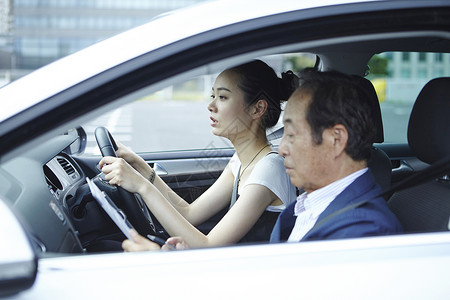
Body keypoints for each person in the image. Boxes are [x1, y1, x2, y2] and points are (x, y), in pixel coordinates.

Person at [99, 60, 298, 250]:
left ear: (258, 109)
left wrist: (141, 186)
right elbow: (189, 214)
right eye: (213, 96)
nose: (211, 106)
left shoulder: (269, 169)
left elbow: (207, 245)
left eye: (223, 97)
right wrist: (141, 167)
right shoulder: (240, 160)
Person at [270, 68, 403, 243]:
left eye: (292, 135)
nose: (281, 149)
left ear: (336, 139)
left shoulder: (363, 232)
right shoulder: (311, 204)